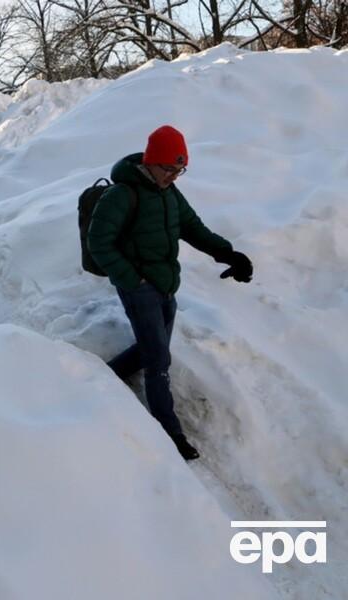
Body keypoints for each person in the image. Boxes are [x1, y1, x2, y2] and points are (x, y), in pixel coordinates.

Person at [87, 125, 253, 461]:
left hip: (165, 283)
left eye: (180, 170)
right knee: (158, 361)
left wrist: (230, 254)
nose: (174, 177)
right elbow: (98, 243)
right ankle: (170, 432)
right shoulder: (121, 195)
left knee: (154, 347)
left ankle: (104, 374)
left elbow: (194, 228)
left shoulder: (169, 194)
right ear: (151, 162)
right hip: (139, 288)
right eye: (169, 169)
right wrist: (132, 279)